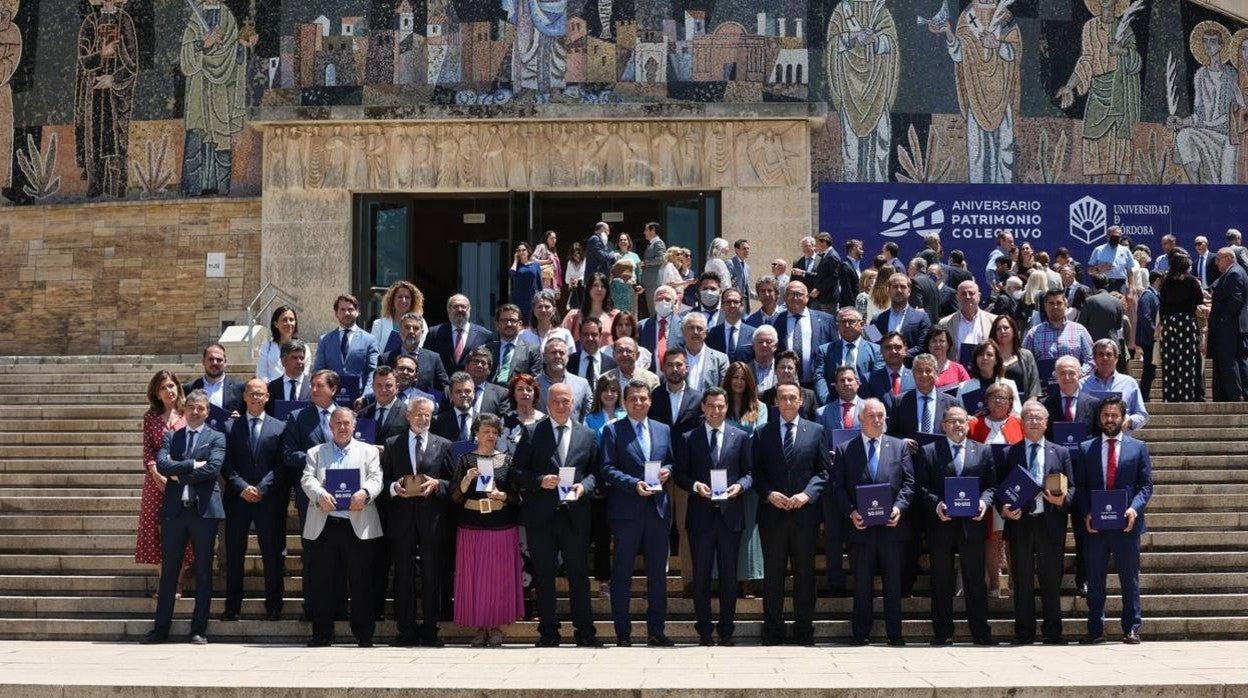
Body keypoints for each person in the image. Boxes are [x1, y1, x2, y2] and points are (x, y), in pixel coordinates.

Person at [512, 383, 602, 647]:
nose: (562, 406)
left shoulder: (587, 435)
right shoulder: (531, 433)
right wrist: (539, 480)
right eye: (556, 402)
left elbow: (596, 473)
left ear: (573, 402)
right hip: (542, 516)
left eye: (566, 401)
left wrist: (583, 487)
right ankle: (548, 632)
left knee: (578, 576)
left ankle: (585, 632)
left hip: (575, 514)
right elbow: (516, 472)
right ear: (547, 404)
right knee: (544, 575)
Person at [143, 390, 226, 645]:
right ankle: (160, 630)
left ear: (207, 412)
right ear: (185, 409)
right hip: (174, 512)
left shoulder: (217, 437)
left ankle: (198, 629)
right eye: (191, 407)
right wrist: (192, 465)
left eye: (201, 408)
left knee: (203, 572)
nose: (195, 412)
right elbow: (163, 465)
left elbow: (213, 469)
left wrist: (179, 472)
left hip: (203, 513)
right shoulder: (172, 436)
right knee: (169, 572)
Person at [673, 387, 753, 646]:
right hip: (700, 517)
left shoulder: (740, 437)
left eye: (720, 406)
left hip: (730, 517)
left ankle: (727, 631)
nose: (716, 410)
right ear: (703, 408)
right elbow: (680, 474)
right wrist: (696, 486)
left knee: (730, 577)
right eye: (711, 406)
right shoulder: (688, 438)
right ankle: (705, 632)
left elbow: (750, 473)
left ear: (726, 407)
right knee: (702, 577)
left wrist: (739, 486)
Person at [753, 383, 829, 646]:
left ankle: (803, 629)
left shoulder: (817, 431)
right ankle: (773, 629)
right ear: (775, 402)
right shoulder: (763, 433)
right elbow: (756, 472)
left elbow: (824, 472)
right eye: (783, 398)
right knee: (773, 575)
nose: (787, 402)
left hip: (804, 515)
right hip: (772, 515)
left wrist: (807, 494)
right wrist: (769, 494)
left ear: (800, 401)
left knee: (804, 574)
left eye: (792, 398)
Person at [300, 408, 383, 648]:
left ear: (354, 426)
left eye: (347, 423)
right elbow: (307, 479)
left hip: (357, 524)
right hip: (325, 524)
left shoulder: (368, 451)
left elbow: (376, 477)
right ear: (330, 426)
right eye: (338, 423)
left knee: (361, 582)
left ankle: (364, 635)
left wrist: (365, 493)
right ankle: (322, 634)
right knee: (322, 582)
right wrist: (319, 495)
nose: (343, 427)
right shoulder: (316, 452)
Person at [834, 398, 913, 647]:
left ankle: (894, 633)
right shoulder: (846, 449)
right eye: (872, 416)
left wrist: (900, 508)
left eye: (882, 416)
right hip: (861, 528)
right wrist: (851, 512)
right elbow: (837, 487)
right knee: (862, 582)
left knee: (893, 582)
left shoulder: (899, 447)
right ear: (860, 419)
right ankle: (860, 632)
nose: (878, 420)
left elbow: (910, 483)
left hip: (891, 528)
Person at [601, 380, 675, 647]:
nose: (639, 403)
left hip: (657, 511)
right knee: (622, 575)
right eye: (633, 398)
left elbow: (673, 461)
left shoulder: (663, 429)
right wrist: (634, 484)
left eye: (644, 398)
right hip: (626, 512)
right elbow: (607, 468)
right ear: (624, 402)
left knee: (658, 575)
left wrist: (669, 470)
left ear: (650, 401)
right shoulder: (612, 431)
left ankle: (657, 631)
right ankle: (623, 632)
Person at [916, 406, 996, 646]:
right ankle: (942, 633)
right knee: (941, 580)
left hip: (972, 525)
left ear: (968, 424)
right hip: (942, 525)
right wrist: (937, 505)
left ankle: (980, 632)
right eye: (952, 421)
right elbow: (921, 487)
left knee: (975, 581)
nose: (958, 425)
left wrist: (984, 503)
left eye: (962, 421)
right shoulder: (929, 451)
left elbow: (991, 487)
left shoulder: (983, 451)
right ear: (943, 425)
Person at [1076, 397, 1153, 645]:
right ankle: (1096, 628)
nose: (1110, 420)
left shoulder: (1137, 447)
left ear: (1123, 418)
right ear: (1100, 419)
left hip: (1126, 525)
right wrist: (1087, 511)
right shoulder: (1086, 448)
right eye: (1106, 415)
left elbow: (1145, 486)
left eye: (1114, 416)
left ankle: (1131, 627)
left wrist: (1134, 509)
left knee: (1129, 579)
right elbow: (1081, 486)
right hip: (1096, 526)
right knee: (1095, 579)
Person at [998, 400, 1073, 646]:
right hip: (1020, 523)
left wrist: (1062, 500)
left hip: (1050, 522)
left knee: (1051, 578)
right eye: (1028, 417)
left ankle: (1053, 631)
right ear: (1021, 421)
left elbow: (1072, 487)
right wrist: (1004, 509)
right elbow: (999, 489)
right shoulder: (1010, 452)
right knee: (1021, 579)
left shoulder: (1060, 452)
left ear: (1046, 422)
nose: (1033, 421)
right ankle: (1024, 632)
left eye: (1038, 417)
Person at [382, 396, 453, 647]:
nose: (423, 419)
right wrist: (393, 488)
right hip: (402, 520)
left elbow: (453, 483)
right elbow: (383, 481)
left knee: (433, 574)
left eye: (428, 415)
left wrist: (438, 484)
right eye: (419, 414)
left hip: (432, 520)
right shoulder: (392, 444)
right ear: (408, 415)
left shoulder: (444, 445)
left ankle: (431, 628)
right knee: (403, 574)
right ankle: (406, 629)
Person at [448, 413, 523, 647]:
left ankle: (497, 626)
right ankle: (480, 627)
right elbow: (454, 495)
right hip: (472, 526)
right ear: (476, 434)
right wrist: (466, 480)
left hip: (501, 526)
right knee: (475, 579)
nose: (490, 435)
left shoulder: (507, 460)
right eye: (485, 431)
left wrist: (504, 496)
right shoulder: (465, 460)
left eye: (494, 432)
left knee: (499, 580)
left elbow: (517, 496)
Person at [281, 369, 345, 620]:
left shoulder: (346, 416)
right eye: (313, 385)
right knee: (313, 554)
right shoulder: (297, 417)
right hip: (310, 497)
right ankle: (312, 608)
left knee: (341, 554)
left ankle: (339, 607)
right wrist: (318, 460)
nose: (314, 389)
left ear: (334, 389)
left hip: (344, 497)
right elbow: (288, 454)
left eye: (320, 385)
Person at [221, 379, 286, 622]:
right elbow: (225, 464)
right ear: (245, 397)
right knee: (235, 554)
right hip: (238, 500)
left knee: (272, 554)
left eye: (260, 394)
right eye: (251, 393)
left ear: (268, 397)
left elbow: (282, 465)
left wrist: (262, 488)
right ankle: (232, 607)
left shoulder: (280, 427)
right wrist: (241, 487)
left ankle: (274, 606)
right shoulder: (229, 427)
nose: (256, 398)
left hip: (268, 500)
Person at [136, 371, 192, 599]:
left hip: (181, 481)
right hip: (155, 482)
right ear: (156, 394)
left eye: (171, 386)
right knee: (155, 529)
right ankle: (164, 584)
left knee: (180, 531)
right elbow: (148, 448)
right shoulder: (150, 417)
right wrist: (154, 471)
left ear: (178, 388)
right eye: (163, 388)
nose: (169, 391)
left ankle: (178, 583)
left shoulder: (189, 414)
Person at [723, 361, 768, 598]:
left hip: (750, 474)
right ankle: (725, 577)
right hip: (726, 474)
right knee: (726, 527)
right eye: (734, 377)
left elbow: (758, 440)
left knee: (750, 527)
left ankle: (748, 579)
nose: (738, 382)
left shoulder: (760, 408)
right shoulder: (721, 405)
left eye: (743, 378)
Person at [313, 294, 380, 398]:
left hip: (359, 399)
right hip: (331, 399)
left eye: (350, 309)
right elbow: (318, 371)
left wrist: (366, 396)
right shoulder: (325, 340)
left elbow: (373, 371)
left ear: (357, 312)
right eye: (342, 310)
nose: (347, 313)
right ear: (336, 313)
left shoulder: (369, 340)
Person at [814, 306, 884, 403]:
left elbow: (878, 380)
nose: (847, 325)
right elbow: (819, 378)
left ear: (862, 324)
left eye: (851, 321)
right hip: (833, 403)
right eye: (842, 322)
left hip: (865, 404)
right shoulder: (825, 350)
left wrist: (868, 404)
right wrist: (827, 403)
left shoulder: (876, 350)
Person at [774, 280, 838, 387]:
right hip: (785, 385)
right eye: (791, 294)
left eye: (799, 294)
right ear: (784, 298)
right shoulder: (774, 321)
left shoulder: (826, 320)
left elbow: (835, 350)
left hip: (818, 384)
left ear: (807, 297)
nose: (795, 298)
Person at [1081, 339, 1150, 432]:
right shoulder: (1082, 385)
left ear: (1116, 359)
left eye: (1109, 354)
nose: (1105, 358)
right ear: (1094, 359)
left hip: (1120, 441)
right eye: (1100, 354)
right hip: (1090, 441)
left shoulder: (1129, 383)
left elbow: (1143, 415)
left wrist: (1129, 421)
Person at [1208, 247, 1248, 401]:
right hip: (1234, 326)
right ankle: (1242, 393)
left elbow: (1236, 299)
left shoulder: (1235, 273)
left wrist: (1222, 320)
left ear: (1228, 258)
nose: (1216, 263)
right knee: (1239, 360)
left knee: (1230, 361)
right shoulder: (1234, 272)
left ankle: (1235, 395)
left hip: (1231, 326)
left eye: (1218, 259)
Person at [380, 312, 450, 395]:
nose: (411, 331)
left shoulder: (433, 358)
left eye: (416, 328)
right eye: (407, 327)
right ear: (400, 331)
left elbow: (444, 387)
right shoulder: (385, 358)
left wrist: (433, 403)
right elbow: (379, 385)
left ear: (422, 332)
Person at [1022, 289, 1095, 366]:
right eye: (1051, 303)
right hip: (1042, 378)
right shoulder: (1033, 333)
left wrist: (1079, 373)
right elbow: (1024, 362)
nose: (1055, 306)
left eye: (1059, 303)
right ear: (1045, 306)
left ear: (1066, 305)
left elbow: (1091, 359)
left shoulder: (1080, 330)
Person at [428, 294, 495, 375]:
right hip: (441, 386)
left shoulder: (485, 335)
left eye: (463, 306)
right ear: (448, 309)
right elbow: (428, 362)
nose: (459, 310)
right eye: (455, 307)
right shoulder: (434, 333)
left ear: (469, 309)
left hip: (472, 385)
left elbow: (489, 365)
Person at [870, 274, 932, 361]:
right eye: (895, 287)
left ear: (909, 291)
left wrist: (899, 355)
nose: (899, 290)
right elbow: (872, 345)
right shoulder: (875, 319)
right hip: (884, 369)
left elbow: (923, 346)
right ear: (888, 290)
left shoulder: (923, 317)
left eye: (903, 287)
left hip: (911, 370)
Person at [483, 304, 542, 386]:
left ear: (520, 324)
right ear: (497, 325)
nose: (509, 324)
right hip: (492, 396)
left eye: (513, 320)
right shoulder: (487, 350)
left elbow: (535, 380)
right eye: (504, 320)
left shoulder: (532, 350)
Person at [534, 338, 592, 421]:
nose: (557, 356)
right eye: (553, 352)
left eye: (561, 353)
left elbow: (588, 418)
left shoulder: (582, 384)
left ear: (567, 357)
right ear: (544, 356)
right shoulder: (533, 385)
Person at [991, 314, 1042, 401]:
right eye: (998, 329)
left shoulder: (1026, 356)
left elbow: (1034, 388)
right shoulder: (989, 356)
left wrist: (1028, 408)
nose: (1002, 331)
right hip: (995, 407)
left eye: (1006, 328)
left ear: (1014, 331)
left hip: (1022, 408)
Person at [184, 343, 245, 415]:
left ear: (225, 362)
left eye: (219, 360)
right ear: (203, 362)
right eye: (211, 359)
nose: (215, 363)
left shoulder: (239, 388)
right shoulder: (189, 389)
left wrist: (240, 419)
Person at [369, 281, 425, 354]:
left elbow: (422, 348)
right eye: (399, 297)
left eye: (407, 297)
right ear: (392, 300)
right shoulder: (379, 324)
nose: (403, 300)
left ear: (412, 301)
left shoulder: (421, 323)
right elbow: (373, 352)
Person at [938, 280, 996, 351]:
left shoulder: (993, 321)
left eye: (971, 293)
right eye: (963, 294)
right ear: (957, 297)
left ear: (979, 296)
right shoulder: (945, 324)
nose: (967, 297)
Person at [679, 312, 729, 392]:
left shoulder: (721, 359)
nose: (695, 332)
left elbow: (723, 390)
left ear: (706, 333)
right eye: (691, 328)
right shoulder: (675, 358)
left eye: (699, 328)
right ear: (683, 332)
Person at [562, 273, 618, 343]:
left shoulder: (616, 316)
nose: (599, 289)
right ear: (588, 288)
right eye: (595, 285)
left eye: (603, 286)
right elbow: (561, 341)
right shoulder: (574, 316)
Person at [707, 288, 755, 362]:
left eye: (735, 302)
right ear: (722, 306)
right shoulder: (713, 333)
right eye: (728, 302)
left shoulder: (753, 333)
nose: (732, 305)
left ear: (742, 305)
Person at [639, 285, 680, 372]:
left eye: (667, 299)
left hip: (675, 377)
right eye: (659, 299)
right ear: (654, 302)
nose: (663, 302)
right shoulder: (642, 326)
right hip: (650, 378)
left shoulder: (683, 325)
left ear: (675, 301)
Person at [864, 332, 914, 403]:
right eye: (888, 347)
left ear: (905, 350)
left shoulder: (916, 377)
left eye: (898, 347)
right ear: (881, 351)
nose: (893, 351)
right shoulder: (869, 379)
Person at [1135, 270, 1161, 403]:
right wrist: (1154, 333)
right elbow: (1145, 316)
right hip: (1148, 340)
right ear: (1157, 280)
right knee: (1148, 370)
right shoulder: (1147, 295)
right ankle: (1143, 397)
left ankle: (1144, 395)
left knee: (1150, 370)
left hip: (1151, 339)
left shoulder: (1154, 295)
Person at [461, 347, 511, 417]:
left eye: (483, 363)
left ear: (489, 370)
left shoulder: (501, 394)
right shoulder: (451, 391)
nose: (479, 365)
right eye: (476, 361)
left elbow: (504, 422)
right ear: (466, 366)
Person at [256, 305, 301, 383]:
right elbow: (261, 374)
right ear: (276, 324)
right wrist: (273, 388)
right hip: (272, 391)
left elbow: (303, 374)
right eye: (284, 320)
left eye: (291, 319)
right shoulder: (266, 347)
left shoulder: (303, 348)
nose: (289, 323)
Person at [501, 373, 544, 450]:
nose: (525, 392)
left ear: (535, 394)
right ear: (514, 394)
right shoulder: (505, 420)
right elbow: (500, 449)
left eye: (529, 389)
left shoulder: (545, 421)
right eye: (520, 389)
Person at [267, 339, 310, 410]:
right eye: (295, 358)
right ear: (283, 361)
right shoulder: (272, 387)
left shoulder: (313, 386)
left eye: (302, 358)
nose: (299, 362)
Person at [509, 242, 546, 322]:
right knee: (519, 322)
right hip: (518, 299)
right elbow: (511, 274)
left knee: (532, 322)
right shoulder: (516, 266)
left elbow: (539, 283)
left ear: (528, 251)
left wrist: (542, 298)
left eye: (523, 250)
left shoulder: (535, 265)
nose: (521, 252)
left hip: (532, 298)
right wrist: (515, 260)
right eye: (518, 250)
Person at [639, 222, 667, 316]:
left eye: (646, 230)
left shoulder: (658, 242)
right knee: (652, 311)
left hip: (654, 283)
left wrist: (646, 262)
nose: (644, 232)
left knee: (655, 311)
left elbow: (661, 258)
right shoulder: (652, 244)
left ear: (653, 230)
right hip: (650, 283)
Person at [531, 229, 563, 295]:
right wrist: (547, 261)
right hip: (542, 282)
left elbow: (557, 271)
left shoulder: (553, 251)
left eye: (555, 238)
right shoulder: (542, 246)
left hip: (552, 283)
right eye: (551, 238)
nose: (554, 240)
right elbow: (532, 259)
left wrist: (557, 289)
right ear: (546, 239)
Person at [728, 239, 754, 314]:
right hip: (734, 305)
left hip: (746, 306)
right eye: (744, 248)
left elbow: (747, 290)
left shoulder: (747, 268)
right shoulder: (730, 264)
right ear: (737, 249)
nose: (747, 250)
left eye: (748, 248)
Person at [563, 241, 586, 312]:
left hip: (584, 291)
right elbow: (567, 279)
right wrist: (571, 281)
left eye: (578, 254)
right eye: (574, 255)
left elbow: (587, 276)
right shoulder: (570, 263)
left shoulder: (586, 261)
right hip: (574, 291)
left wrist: (578, 280)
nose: (577, 256)